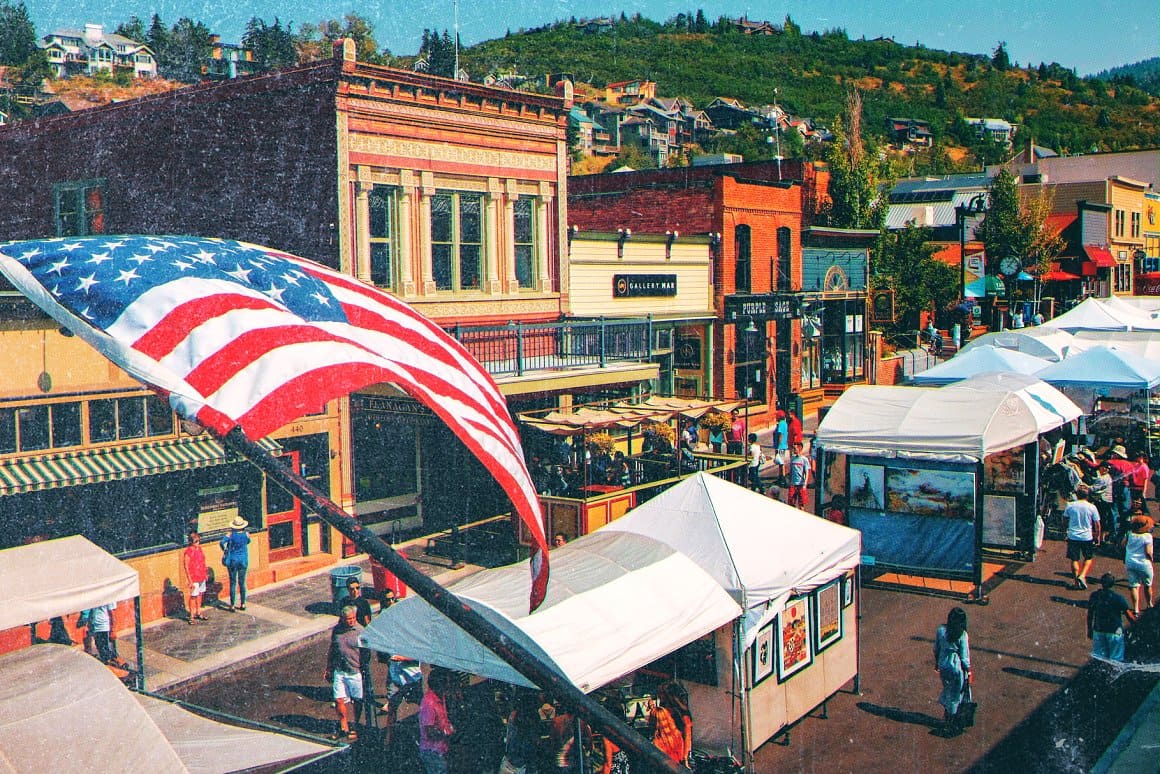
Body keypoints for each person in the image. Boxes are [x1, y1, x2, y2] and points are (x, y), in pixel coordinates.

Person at [325, 604, 368, 741]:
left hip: (355, 672)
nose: (351, 621)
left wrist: (363, 668)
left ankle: (356, 726)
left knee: (357, 701)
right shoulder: (337, 630)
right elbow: (333, 649)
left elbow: (366, 653)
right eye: (348, 619)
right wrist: (329, 667)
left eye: (353, 618)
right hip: (340, 671)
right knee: (339, 700)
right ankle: (344, 727)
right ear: (343, 618)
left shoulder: (361, 631)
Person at [933, 607, 972, 736]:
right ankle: (951, 723)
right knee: (956, 695)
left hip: (944, 665)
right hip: (956, 667)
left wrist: (937, 663)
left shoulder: (941, 630)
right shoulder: (962, 635)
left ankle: (946, 716)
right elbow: (964, 657)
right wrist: (969, 672)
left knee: (948, 689)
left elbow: (936, 648)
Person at [419, 667, 457, 774]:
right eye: (447, 683)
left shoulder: (441, 698)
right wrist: (447, 732)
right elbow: (429, 731)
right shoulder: (429, 703)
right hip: (432, 752)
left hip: (441, 750)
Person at [1087, 573, 1133, 661]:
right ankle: (1113, 674)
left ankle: (1099, 674)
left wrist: (1090, 629)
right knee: (1116, 659)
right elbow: (1129, 615)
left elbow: (1090, 613)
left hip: (1099, 630)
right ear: (1113, 584)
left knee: (1099, 658)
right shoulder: (1119, 598)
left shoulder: (1095, 596)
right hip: (1115, 631)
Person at [648, 681, 692, 766]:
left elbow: (687, 733)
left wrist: (686, 758)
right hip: (677, 758)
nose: (659, 696)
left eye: (661, 693)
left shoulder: (677, 713)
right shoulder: (676, 733)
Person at [1064, 488, 1100, 590]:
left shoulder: (1070, 505)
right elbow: (1097, 524)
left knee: (1074, 559)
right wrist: (1097, 536)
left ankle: (1076, 582)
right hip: (1087, 536)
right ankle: (1082, 575)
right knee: (1088, 558)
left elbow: (1065, 520)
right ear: (1087, 496)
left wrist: (1066, 531)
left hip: (1073, 536)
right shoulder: (1092, 507)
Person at [500, 691, 543, 774]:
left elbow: (510, 739)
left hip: (513, 761)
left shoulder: (514, 715)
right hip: (523, 761)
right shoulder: (533, 716)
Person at [1123, 513, 1155, 614]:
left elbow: (1123, 544)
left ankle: (1136, 608)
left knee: (1134, 586)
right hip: (1143, 563)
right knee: (1147, 584)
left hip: (1130, 562)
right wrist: (1151, 559)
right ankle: (1149, 604)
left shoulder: (1129, 534)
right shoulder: (1147, 536)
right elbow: (1148, 551)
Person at [219, 516, 251, 611]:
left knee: (233, 582)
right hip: (243, 560)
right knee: (242, 582)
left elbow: (221, 542)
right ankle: (243, 603)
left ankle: (232, 605)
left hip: (233, 560)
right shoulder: (246, 534)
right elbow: (248, 541)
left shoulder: (231, 535)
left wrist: (225, 549)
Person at [182, 530, 209, 624]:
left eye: (198, 541)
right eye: (196, 541)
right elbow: (186, 566)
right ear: (191, 542)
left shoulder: (200, 549)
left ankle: (198, 612)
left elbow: (203, 561)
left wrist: (205, 573)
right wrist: (189, 580)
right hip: (194, 577)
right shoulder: (188, 552)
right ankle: (191, 615)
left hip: (201, 575)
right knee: (193, 595)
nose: (198, 543)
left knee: (200, 594)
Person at [786, 441, 812, 508]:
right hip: (793, 484)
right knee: (791, 504)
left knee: (801, 505)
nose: (793, 450)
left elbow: (807, 472)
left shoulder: (804, 460)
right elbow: (791, 470)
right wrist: (789, 481)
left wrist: (805, 484)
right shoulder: (792, 458)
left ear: (800, 448)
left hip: (801, 485)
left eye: (795, 448)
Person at [772, 410, 789, 482]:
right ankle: (780, 476)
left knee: (781, 462)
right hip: (782, 445)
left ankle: (783, 478)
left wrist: (778, 446)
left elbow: (780, 435)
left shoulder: (781, 424)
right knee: (780, 461)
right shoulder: (784, 423)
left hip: (780, 446)